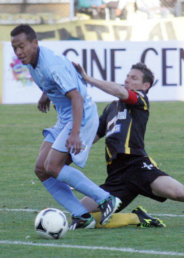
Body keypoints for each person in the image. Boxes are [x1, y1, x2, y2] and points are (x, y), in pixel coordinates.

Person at [72, 62, 184, 229]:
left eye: (134, 78)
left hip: (137, 165)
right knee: (79, 216)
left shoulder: (141, 99)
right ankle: (136, 218)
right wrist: (68, 159)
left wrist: (88, 79)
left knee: (180, 193)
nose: (128, 80)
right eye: (127, 76)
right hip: (116, 175)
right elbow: (92, 137)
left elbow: (120, 92)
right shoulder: (111, 107)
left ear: (146, 86)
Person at [10, 24, 122, 230]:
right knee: (41, 169)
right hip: (65, 118)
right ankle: (82, 216)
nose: (18, 52)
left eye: (22, 46)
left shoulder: (51, 64)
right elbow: (55, 81)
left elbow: (77, 97)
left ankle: (106, 199)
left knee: (53, 166)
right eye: (14, 48)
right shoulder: (32, 62)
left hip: (82, 116)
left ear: (34, 43)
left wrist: (75, 134)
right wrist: (45, 95)